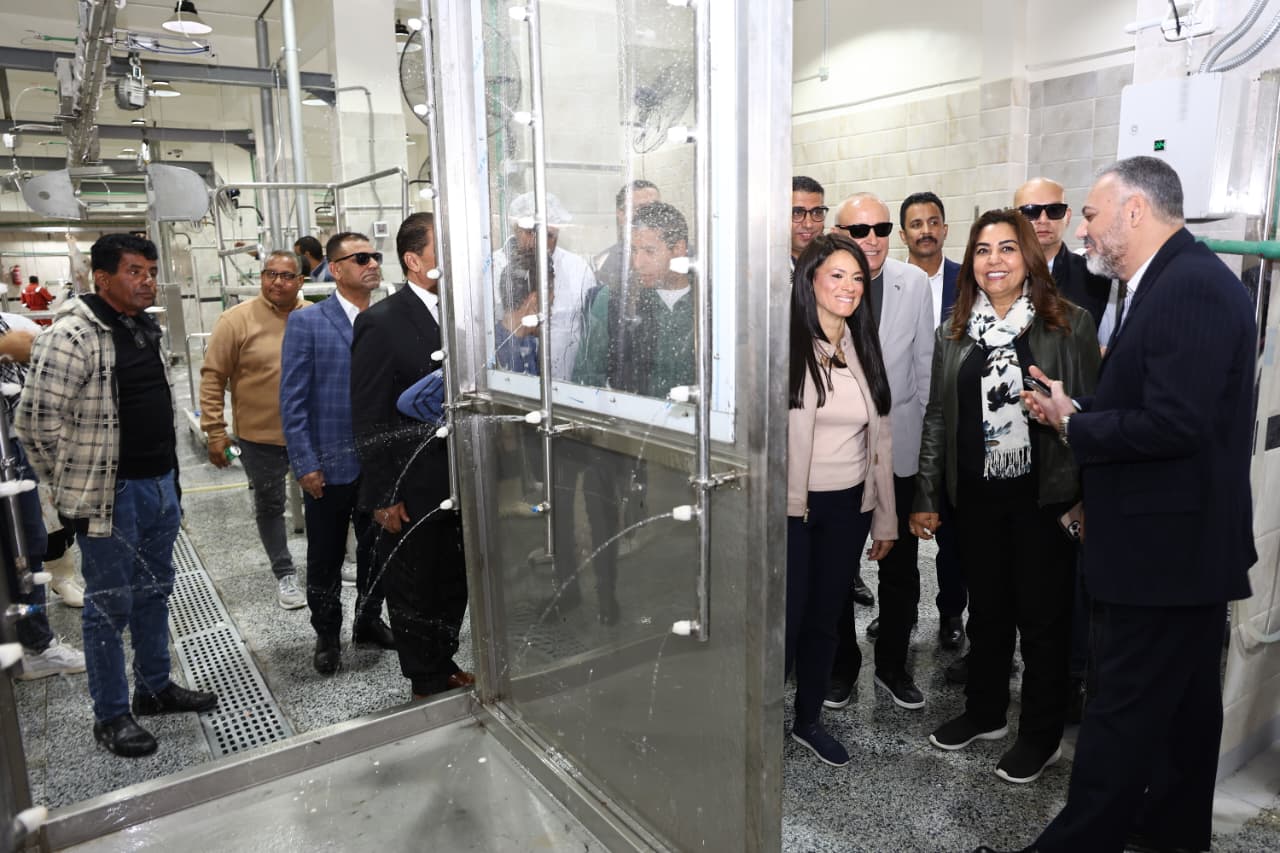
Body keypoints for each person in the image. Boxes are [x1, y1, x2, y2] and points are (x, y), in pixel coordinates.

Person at [1018, 157, 1256, 852]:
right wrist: (1078, 407)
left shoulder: (1189, 287)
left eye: (1091, 215)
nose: (1082, 230)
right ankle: (1174, 827)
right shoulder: (1171, 280)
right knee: (1185, 708)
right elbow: (1160, 403)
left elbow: (1175, 425)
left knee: (1119, 712)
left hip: (1164, 553)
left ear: (1134, 211)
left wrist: (1076, 427)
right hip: (1181, 547)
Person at [910, 209, 1100, 786]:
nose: (994, 260)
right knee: (987, 613)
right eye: (983, 250)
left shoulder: (1069, 324)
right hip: (975, 499)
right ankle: (986, 712)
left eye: (1007, 248)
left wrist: (1088, 498)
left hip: (1044, 500)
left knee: (1043, 624)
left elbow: (1093, 415)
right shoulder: (954, 331)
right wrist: (927, 491)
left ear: (1028, 258)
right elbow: (938, 416)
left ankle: (1040, 736)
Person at [16, 234, 217, 758]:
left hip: (160, 483)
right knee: (109, 605)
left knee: (154, 591)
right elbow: (34, 423)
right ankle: (110, 715)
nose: (147, 281)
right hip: (110, 494)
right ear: (101, 278)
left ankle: (154, 687)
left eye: (150, 271)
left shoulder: (142, 325)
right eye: (134, 271)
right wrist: (69, 487)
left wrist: (170, 478)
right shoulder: (72, 335)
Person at [351, 214, 472, 699]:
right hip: (411, 478)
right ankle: (424, 678)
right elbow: (368, 415)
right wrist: (383, 494)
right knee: (416, 581)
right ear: (413, 260)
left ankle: (443, 660)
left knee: (454, 577)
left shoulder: (463, 315)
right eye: (444, 250)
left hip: (458, 474)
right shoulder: (381, 322)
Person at [786, 232, 895, 767]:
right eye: (836, 275)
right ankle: (755, 725)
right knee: (785, 621)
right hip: (790, 510)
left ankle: (808, 720)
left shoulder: (861, 345)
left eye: (857, 278)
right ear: (810, 281)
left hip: (848, 507)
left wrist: (885, 520)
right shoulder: (783, 347)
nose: (850, 286)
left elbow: (882, 440)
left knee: (825, 618)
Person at [827, 193, 934, 709]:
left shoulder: (912, 282)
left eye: (881, 229)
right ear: (839, 234)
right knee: (837, 566)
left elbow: (925, 368)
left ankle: (893, 664)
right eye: (859, 229)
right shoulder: (823, 283)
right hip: (842, 450)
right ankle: (841, 666)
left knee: (901, 567)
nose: (871, 239)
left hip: (901, 446)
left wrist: (929, 461)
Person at [280, 232, 394, 677]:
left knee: (377, 548)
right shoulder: (308, 322)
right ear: (336, 268)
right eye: (360, 258)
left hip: (378, 463)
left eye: (374, 256)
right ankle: (327, 633)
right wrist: (305, 463)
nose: (372, 264)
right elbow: (292, 401)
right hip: (328, 464)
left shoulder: (386, 319)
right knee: (325, 556)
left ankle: (368, 620)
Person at [200, 250, 308, 610]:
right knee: (270, 504)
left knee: (325, 501)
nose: (277, 282)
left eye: (286, 276)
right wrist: (215, 431)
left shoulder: (313, 316)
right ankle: (284, 573)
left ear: (300, 281)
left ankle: (330, 562)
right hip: (260, 437)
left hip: (310, 434)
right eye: (270, 274)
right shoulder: (236, 320)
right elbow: (213, 377)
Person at [0, 312, 86, 680]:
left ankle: (33, 642)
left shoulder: (10, 322)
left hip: (15, 446)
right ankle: (33, 646)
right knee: (18, 550)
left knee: (29, 546)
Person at [899, 190, 966, 650]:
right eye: (916, 223)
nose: (926, 230)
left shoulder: (969, 281)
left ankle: (951, 613)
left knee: (955, 534)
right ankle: (900, 613)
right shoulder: (886, 281)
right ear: (903, 234)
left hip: (954, 427)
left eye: (933, 221)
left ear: (944, 228)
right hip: (905, 424)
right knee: (900, 532)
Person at [574, 201, 695, 397]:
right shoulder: (612, 301)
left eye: (650, 251)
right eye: (633, 251)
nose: (638, 263)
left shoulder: (711, 304)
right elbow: (586, 380)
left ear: (679, 249)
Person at [493, 192, 597, 381]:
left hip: (566, 385)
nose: (539, 241)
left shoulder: (578, 269)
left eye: (549, 235)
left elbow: (592, 335)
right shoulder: (492, 268)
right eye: (530, 232)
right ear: (516, 229)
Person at [1014, 177, 1111, 327]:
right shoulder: (996, 276)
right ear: (1014, 219)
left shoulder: (1096, 278)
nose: (1043, 220)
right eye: (1031, 211)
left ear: (1068, 216)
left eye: (1054, 210)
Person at [494, 249, 554, 375]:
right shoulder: (499, 356)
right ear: (535, 301)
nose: (551, 314)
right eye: (550, 305)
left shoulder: (529, 342)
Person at [593, 180, 660, 290]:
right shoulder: (606, 264)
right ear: (621, 215)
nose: (652, 214)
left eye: (657, 207)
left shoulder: (683, 254)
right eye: (643, 208)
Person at [791, 176, 827, 268]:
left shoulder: (836, 260)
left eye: (817, 212)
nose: (808, 224)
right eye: (797, 213)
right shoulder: (766, 265)